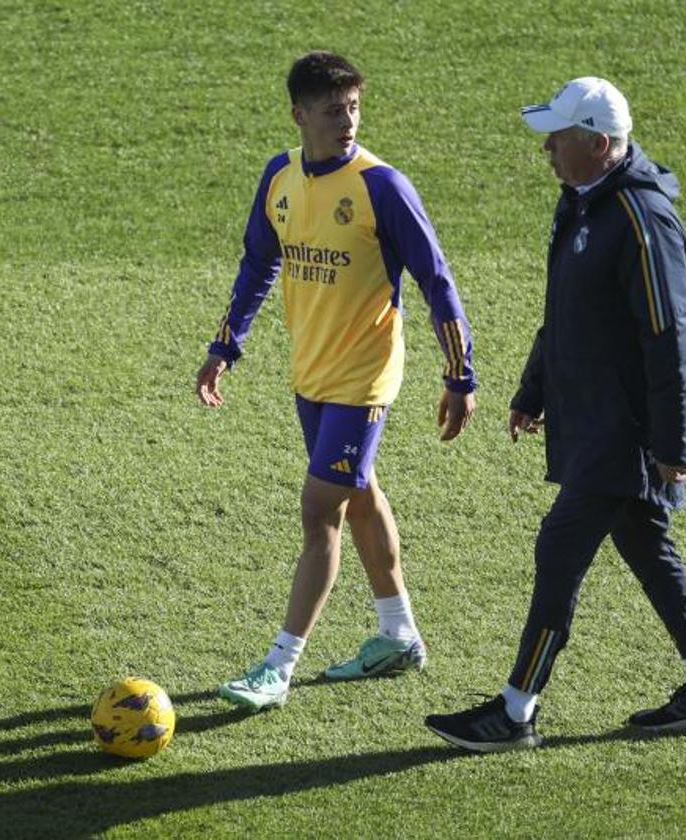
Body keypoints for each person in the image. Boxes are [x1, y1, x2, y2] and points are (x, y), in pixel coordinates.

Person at [425, 77, 686, 751]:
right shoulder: (581, 203)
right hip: (598, 422)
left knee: (560, 549)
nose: (546, 148)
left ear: (599, 143)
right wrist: (531, 391)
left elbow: (671, 338)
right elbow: (565, 315)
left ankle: (515, 712)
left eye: (559, 137)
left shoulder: (641, 218)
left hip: (622, 432)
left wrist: (674, 443)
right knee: (644, 544)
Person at [196, 51, 478, 711]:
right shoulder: (280, 178)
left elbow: (436, 281)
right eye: (332, 111)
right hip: (311, 373)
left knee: (320, 509)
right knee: (358, 497)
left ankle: (277, 667)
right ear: (299, 115)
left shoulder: (381, 186)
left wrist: (460, 375)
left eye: (353, 107)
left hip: (364, 377)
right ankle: (400, 633)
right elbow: (258, 264)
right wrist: (224, 347)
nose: (346, 121)